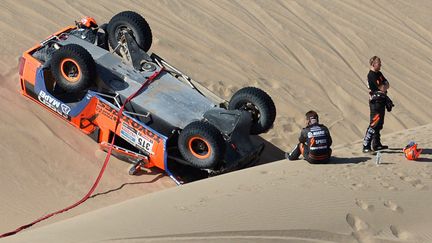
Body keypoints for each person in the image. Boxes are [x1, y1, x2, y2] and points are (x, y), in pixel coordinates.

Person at [362, 56, 394, 153]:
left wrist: (384, 86)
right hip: (375, 103)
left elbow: (387, 84)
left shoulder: (379, 73)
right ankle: (366, 145)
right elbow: (383, 87)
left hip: (381, 101)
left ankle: (376, 144)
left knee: (379, 124)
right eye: (378, 63)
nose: (380, 65)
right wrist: (384, 86)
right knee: (374, 123)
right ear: (373, 64)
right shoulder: (371, 75)